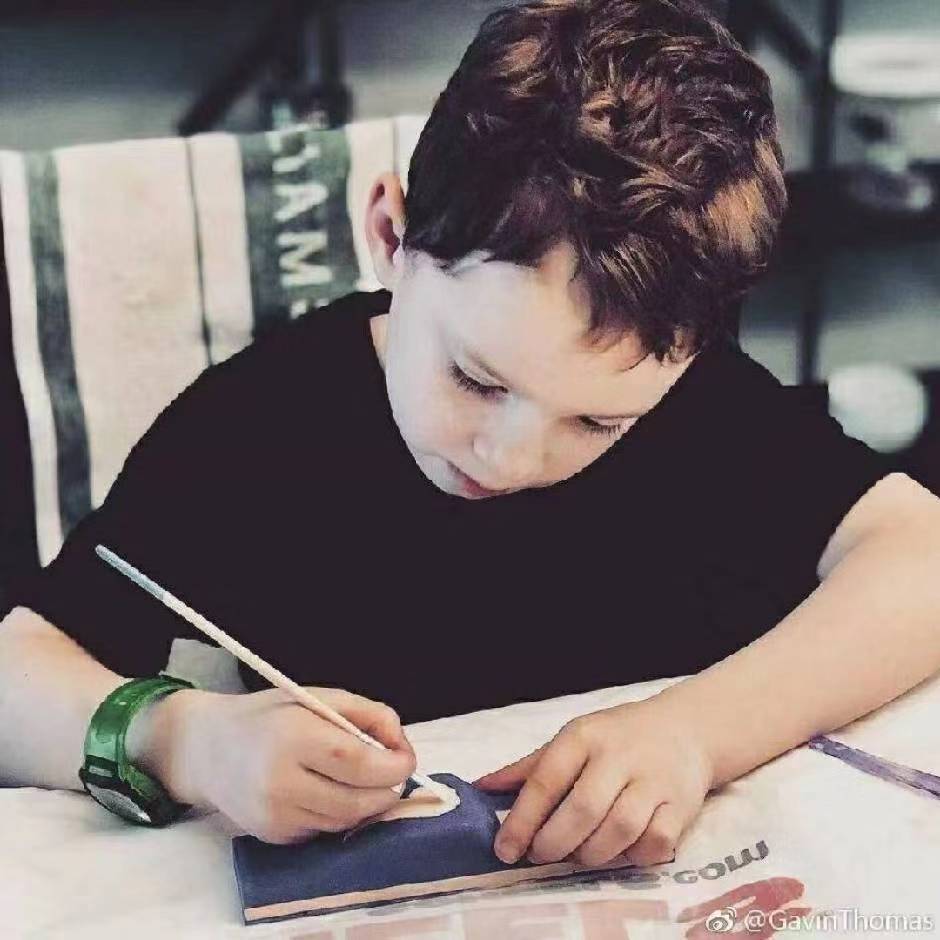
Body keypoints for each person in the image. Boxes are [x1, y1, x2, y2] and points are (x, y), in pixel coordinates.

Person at [2, 0, 939, 871]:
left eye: (600, 421)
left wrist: (698, 730)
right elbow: (17, 673)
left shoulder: (703, 411)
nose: (512, 458)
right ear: (391, 235)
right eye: (478, 379)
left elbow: (921, 557)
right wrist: (184, 740)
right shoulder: (261, 431)